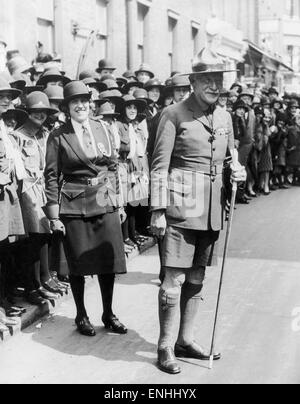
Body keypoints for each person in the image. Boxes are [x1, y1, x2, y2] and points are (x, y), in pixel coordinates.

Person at [150, 48, 246, 375]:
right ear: (193, 81)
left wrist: (238, 170)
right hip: (179, 207)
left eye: (219, 80)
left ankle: (185, 339)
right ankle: (164, 346)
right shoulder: (173, 114)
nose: (215, 86)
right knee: (173, 279)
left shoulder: (225, 117)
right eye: (208, 79)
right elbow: (159, 166)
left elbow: (231, 156)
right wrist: (157, 210)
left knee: (196, 277)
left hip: (211, 208)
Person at [44, 81, 128, 337]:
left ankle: (108, 313)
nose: (80, 105)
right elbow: (50, 175)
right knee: (78, 263)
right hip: (74, 202)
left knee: (108, 260)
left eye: (84, 100)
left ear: (90, 103)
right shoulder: (58, 135)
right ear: (67, 107)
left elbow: (112, 166)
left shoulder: (101, 127)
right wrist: (54, 215)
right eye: (74, 102)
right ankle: (81, 314)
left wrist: (118, 201)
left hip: (104, 196)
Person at [14, 91, 63, 304]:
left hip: (44, 189)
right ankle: (31, 286)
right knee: (32, 240)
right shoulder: (17, 136)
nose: (40, 115)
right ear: (27, 112)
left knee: (44, 236)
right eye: (35, 111)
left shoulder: (45, 134)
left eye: (43, 112)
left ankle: (42, 280)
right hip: (27, 191)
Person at [0, 78, 26, 330]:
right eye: (1, 95)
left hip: (5, 196)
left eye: (8, 95)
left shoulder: (2, 127)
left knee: (3, 253)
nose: (7, 99)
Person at [117, 95, 148, 251]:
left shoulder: (133, 126)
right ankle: (125, 237)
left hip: (134, 167)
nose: (132, 111)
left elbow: (140, 150)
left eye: (135, 108)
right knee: (125, 203)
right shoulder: (119, 125)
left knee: (133, 203)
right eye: (129, 107)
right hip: (123, 167)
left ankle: (132, 234)